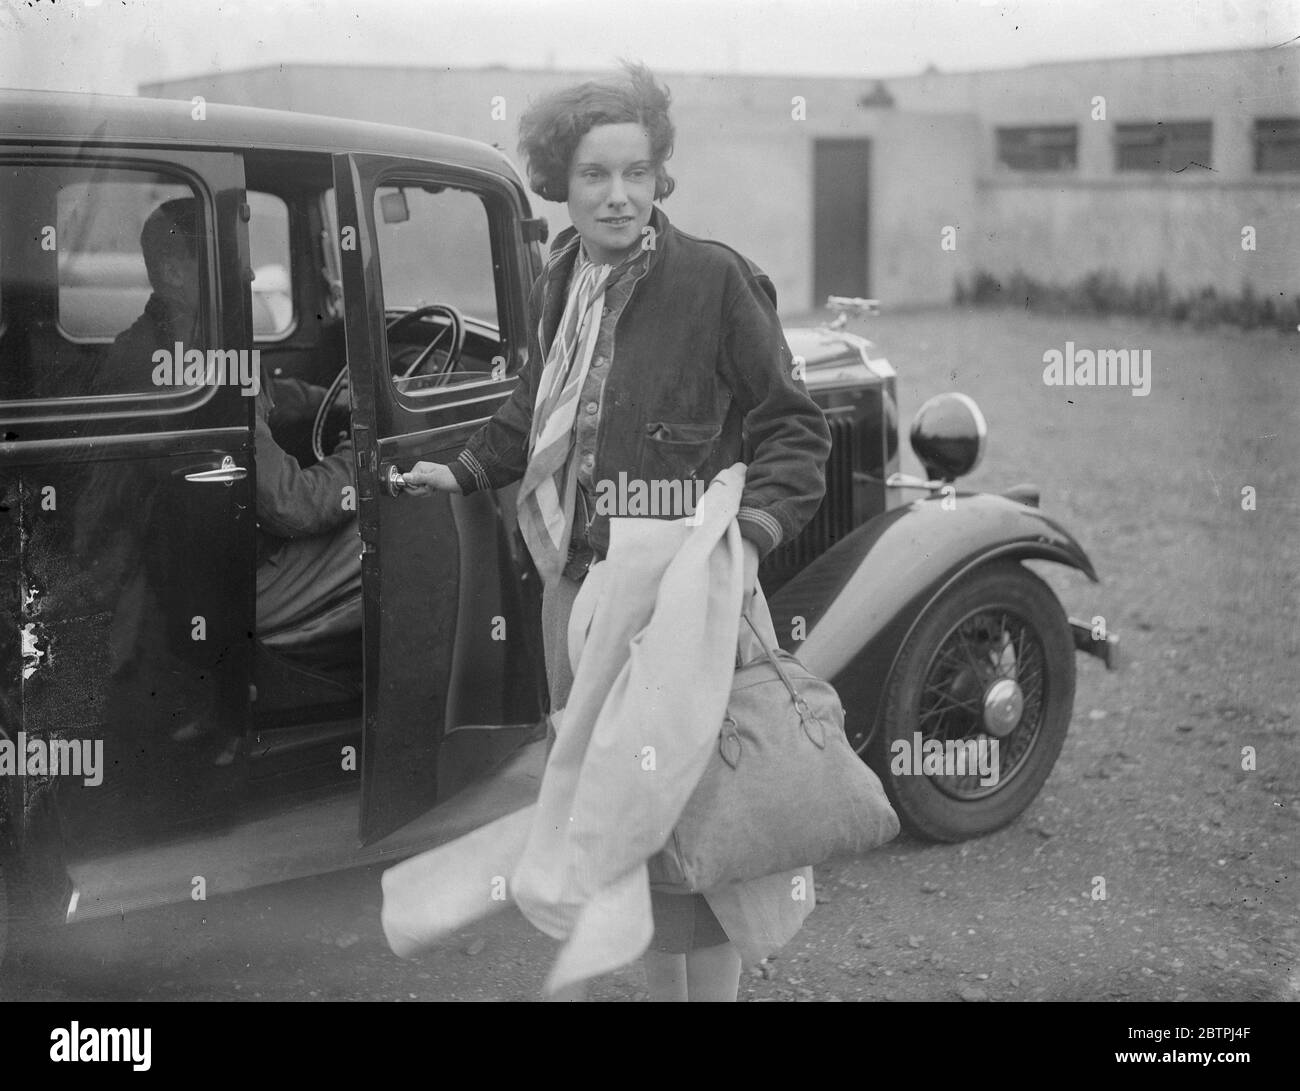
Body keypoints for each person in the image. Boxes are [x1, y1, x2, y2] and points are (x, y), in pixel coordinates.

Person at [404, 62, 831, 1001]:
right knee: (618, 822)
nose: (619, 195)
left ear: (660, 175)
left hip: (681, 594)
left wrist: (747, 539)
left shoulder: (715, 280)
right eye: (595, 174)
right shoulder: (564, 274)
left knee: (701, 827)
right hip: (577, 591)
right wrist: (468, 468)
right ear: (563, 179)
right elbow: (537, 406)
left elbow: (794, 427)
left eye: (637, 172)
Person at [88, 198, 362, 728]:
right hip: (214, 587)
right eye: (229, 257)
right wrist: (358, 457)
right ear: (172, 272)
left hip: (176, 574)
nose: (251, 271)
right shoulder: (179, 367)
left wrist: (325, 396)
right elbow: (294, 506)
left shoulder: (166, 346)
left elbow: (260, 395)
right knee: (387, 520)